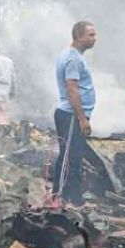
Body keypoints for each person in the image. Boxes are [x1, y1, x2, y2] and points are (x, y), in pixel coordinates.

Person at [50, 21, 97, 209]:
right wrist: (82, 118)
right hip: (70, 115)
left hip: (72, 115)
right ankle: (65, 199)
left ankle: (67, 198)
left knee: (71, 157)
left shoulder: (74, 56)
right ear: (79, 37)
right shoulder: (73, 59)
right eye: (91, 35)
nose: (95, 39)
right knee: (71, 158)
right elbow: (72, 90)